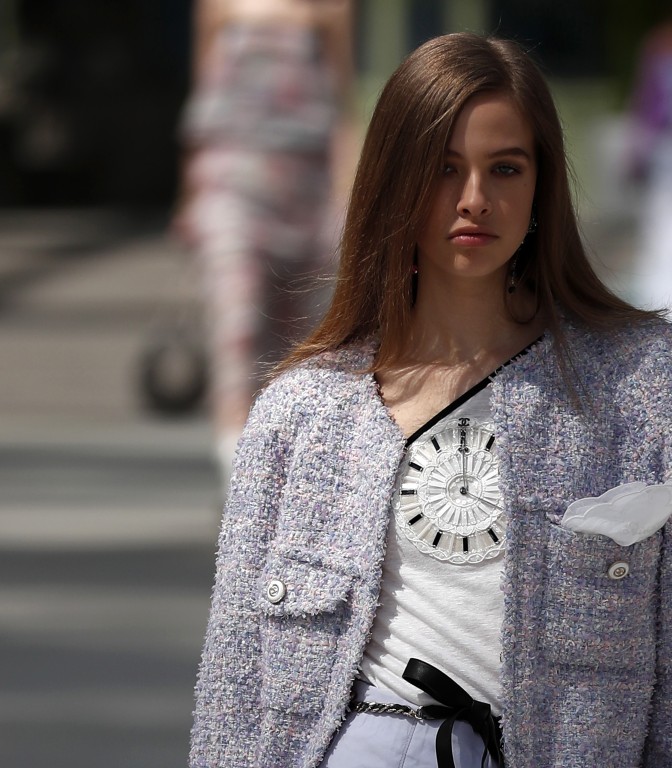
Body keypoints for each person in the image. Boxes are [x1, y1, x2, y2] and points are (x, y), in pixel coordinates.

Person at [189, 32, 672, 768]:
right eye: (443, 170)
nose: (475, 199)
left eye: (504, 168)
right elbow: (235, 682)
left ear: (542, 187)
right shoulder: (303, 411)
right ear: (394, 180)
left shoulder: (639, 384)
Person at [176, 0, 356, 481]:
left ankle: (283, 477)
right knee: (235, 329)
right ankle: (234, 471)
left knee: (298, 346)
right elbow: (203, 99)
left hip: (305, 188)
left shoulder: (331, 7)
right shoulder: (215, 5)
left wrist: (345, 198)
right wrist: (189, 197)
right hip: (231, 182)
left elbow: (342, 106)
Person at [626, 13, 672, 315]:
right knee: (660, 223)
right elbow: (648, 105)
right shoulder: (659, 45)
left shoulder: (659, 44)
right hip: (664, 149)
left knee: (661, 224)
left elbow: (647, 105)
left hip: (662, 148)